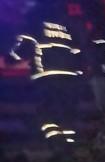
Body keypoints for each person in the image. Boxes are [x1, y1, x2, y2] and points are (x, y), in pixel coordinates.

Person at [8, 1, 85, 151]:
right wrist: (79, 73)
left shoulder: (35, 25)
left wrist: (11, 58)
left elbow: (22, 48)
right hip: (70, 78)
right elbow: (78, 53)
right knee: (67, 113)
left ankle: (56, 143)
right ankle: (69, 145)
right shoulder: (65, 27)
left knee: (48, 113)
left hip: (48, 77)